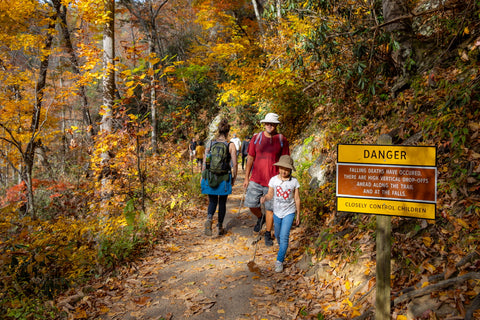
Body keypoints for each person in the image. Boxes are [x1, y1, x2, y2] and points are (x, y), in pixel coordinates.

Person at [243, 112, 290, 246]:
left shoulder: (282, 140)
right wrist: (246, 178)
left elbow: (285, 161)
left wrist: (284, 179)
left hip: (273, 181)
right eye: (267, 123)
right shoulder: (256, 138)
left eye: (272, 124)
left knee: (270, 209)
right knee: (251, 204)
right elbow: (250, 158)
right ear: (264, 124)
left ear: (276, 125)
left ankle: (268, 234)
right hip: (256, 179)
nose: (269, 126)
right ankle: (260, 217)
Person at [260, 155, 300, 272]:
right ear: (278, 168)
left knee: (284, 236)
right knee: (277, 235)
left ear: (290, 170)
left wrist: (298, 214)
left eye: (287, 169)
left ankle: (279, 261)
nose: (284, 171)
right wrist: (265, 198)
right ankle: (282, 248)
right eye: (282, 168)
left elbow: (297, 198)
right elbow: (270, 194)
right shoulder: (274, 180)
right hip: (277, 212)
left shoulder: (294, 182)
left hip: (289, 212)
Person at [201, 118, 238, 236]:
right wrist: (234, 178)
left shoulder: (210, 143)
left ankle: (209, 219)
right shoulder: (230, 145)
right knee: (222, 202)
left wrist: (203, 176)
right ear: (228, 131)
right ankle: (220, 226)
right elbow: (235, 163)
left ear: (218, 130)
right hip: (224, 177)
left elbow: (205, 161)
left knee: (212, 201)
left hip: (211, 176)